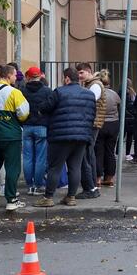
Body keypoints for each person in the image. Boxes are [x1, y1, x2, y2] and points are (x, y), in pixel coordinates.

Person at [34, 67, 96, 207]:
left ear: (67, 78)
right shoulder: (89, 94)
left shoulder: (59, 92)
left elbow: (45, 108)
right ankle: (71, 197)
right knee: (75, 167)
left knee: (55, 167)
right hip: (82, 136)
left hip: (60, 136)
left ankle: (48, 198)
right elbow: (92, 115)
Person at [0, 64, 30, 211]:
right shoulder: (15, 93)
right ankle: (11, 200)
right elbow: (24, 114)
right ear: (8, 76)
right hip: (11, 137)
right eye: (15, 75)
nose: (16, 77)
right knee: (12, 168)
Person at [20, 67, 52, 196]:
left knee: (27, 157)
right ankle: (38, 185)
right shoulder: (47, 91)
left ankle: (29, 185)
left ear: (27, 77)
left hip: (26, 126)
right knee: (40, 158)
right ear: (40, 76)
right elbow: (51, 108)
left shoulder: (22, 91)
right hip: (42, 127)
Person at [76, 62, 106, 199]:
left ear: (89, 72)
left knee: (87, 155)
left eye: (81, 72)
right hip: (92, 123)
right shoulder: (91, 85)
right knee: (89, 154)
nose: (79, 75)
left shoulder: (95, 85)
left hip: (92, 124)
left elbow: (87, 102)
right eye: (78, 73)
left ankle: (91, 187)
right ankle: (92, 185)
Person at [95, 70, 121, 187]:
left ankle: (98, 178)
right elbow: (119, 106)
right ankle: (110, 177)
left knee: (98, 152)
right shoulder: (114, 94)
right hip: (114, 124)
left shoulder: (97, 93)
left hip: (100, 124)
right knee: (110, 152)